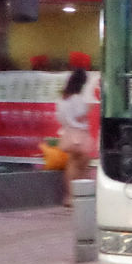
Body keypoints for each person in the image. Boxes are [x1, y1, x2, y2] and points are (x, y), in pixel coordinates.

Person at [55, 67, 93, 206]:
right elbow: (80, 116)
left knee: (72, 163)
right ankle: (78, 196)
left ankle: (70, 196)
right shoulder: (77, 98)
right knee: (82, 164)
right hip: (79, 134)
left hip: (68, 133)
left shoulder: (62, 98)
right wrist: (88, 109)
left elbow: (59, 117)